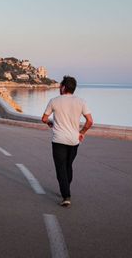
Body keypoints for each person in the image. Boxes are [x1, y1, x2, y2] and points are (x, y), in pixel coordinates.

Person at [41, 76, 93, 207]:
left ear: (63, 87)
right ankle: (66, 188)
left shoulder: (54, 101)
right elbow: (90, 121)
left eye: (60, 86)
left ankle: (66, 196)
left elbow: (44, 118)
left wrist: (50, 123)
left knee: (60, 168)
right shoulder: (81, 102)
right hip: (74, 140)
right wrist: (82, 132)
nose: (59, 88)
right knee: (68, 166)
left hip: (58, 140)